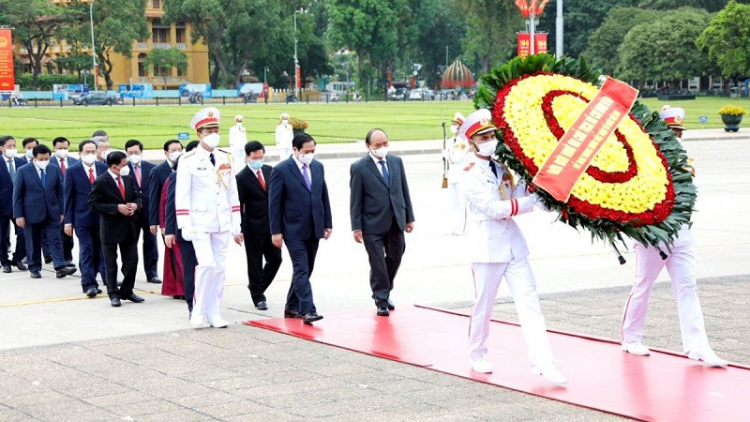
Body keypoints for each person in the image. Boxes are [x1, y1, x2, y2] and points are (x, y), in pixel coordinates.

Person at [459, 109, 566, 384]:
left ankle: (542, 361)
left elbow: (511, 194)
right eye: (484, 136)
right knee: (483, 305)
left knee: (530, 303)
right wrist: (530, 203)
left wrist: (534, 189)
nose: (490, 139)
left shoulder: (499, 166)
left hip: (514, 247)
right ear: (471, 141)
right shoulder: (468, 173)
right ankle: (477, 354)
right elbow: (494, 208)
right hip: (487, 248)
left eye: (492, 134)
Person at [620, 106, 727, 367]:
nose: (676, 137)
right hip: (653, 234)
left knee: (688, 286)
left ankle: (697, 346)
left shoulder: (686, 159)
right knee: (644, 284)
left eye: (679, 132)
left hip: (681, 232)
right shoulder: (644, 159)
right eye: (671, 131)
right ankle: (631, 338)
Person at [175, 107, 242, 328]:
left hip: (222, 220)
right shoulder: (188, 159)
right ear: (199, 134)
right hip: (199, 222)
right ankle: (198, 311)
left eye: (216, 128)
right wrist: (183, 222)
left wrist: (236, 221)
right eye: (208, 129)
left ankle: (214, 311)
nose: (213, 133)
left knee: (220, 269)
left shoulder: (225, 157)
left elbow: (232, 192)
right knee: (206, 265)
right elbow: (182, 194)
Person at [350, 129, 415, 317]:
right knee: (377, 262)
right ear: (368, 146)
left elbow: (403, 189)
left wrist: (409, 216)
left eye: (385, 143)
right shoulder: (359, 167)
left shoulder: (396, 162)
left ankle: (383, 289)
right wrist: (356, 227)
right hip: (372, 223)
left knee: (396, 255)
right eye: (377, 145)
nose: (382, 148)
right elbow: (355, 200)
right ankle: (381, 299)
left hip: (396, 219)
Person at [269, 133, 332, 324]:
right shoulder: (281, 170)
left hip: (314, 226)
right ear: (295, 150)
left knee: (305, 269)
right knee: (301, 268)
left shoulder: (318, 167)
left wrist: (328, 222)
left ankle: (291, 306)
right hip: (292, 229)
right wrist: (276, 231)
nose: (310, 154)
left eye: (313, 151)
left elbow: (323, 196)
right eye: (306, 151)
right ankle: (308, 310)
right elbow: (274, 203)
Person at [88, 151, 144, 307]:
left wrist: (136, 205)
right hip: (110, 229)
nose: (127, 167)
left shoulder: (128, 179)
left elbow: (136, 196)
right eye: (124, 165)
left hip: (129, 227)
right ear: (114, 166)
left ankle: (127, 290)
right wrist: (116, 207)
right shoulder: (101, 181)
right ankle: (113, 293)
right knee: (111, 263)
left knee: (132, 261)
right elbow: (93, 204)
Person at [12, 144, 77, 280]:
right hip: (31, 212)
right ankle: (34, 267)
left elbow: (60, 191)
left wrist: (61, 211)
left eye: (46, 158)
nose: (44, 161)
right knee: (33, 241)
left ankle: (60, 266)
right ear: (34, 158)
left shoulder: (53, 169)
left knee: (55, 239)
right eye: (41, 159)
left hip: (52, 211)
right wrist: (19, 215)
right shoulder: (23, 170)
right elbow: (17, 195)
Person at [236, 140, 281, 311]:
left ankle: (257, 286)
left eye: (261, 156)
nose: (258, 160)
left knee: (276, 259)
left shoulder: (271, 171)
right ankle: (258, 297)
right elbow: (239, 205)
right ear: (247, 157)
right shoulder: (241, 177)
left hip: (272, 226)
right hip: (253, 227)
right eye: (255, 157)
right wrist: (239, 228)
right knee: (254, 262)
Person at [64, 140, 108, 298]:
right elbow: (68, 198)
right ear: (80, 154)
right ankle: (88, 284)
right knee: (87, 249)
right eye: (86, 152)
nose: (90, 155)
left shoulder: (103, 168)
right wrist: (68, 221)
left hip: (101, 217)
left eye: (92, 151)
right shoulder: (72, 171)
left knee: (101, 250)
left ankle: (105, 279)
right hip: (81, 218)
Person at [165, 141, 200, 316]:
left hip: (209, 226)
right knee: (190, 267)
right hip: (187, 228)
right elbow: (171, 204)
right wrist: (170, 230)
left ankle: (207, 302)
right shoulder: (178, 175)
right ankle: (191, 304)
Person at [125, 139, 160, 284]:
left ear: (141, 152)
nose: (134, 155)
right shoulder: (122, 169)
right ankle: (128, 273)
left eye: (136, 152)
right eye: (130, 153)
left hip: (149, 211)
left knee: (151, 243)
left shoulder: (151, 168)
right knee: (130, 244)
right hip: (131, 212)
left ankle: (152, 273)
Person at [0, 136, 27, 273]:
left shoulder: (21, 162)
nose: (12, 148)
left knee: (23, 233)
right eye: (9, 146)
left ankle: (18, 258)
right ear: (2, 148)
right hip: (2, 206)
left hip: (20, 206)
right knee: (1, 236)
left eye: (14, 145)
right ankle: (4, 261)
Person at [49, 136, 77, 265]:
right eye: (60, 148)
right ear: (54, 148)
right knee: (57, 232)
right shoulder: (48, 162)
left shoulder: (74, 162)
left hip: (71, 202)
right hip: (56, 203)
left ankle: (67, 257)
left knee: (68, 233)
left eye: (65, 148)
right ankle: (58, 258)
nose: (62, 150)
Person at [148, 139, 183, 237]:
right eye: (173, 150)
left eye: (179, 150)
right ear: (166, 152)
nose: (177, 152)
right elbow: (154, 197)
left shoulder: (186, 168)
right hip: (167, 217)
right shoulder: (157, 171)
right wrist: (153, 221)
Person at [444, 113, 469, 235]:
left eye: (455, 124)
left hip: (461, 174)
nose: (453, 126)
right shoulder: (450, 141)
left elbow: (457, 158)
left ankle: (463, 227)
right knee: (453, 203)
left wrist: (447, 155)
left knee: (461, 202)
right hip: (452, 174)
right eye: (453, 124)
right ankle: (455, 226)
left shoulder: (464, 142)